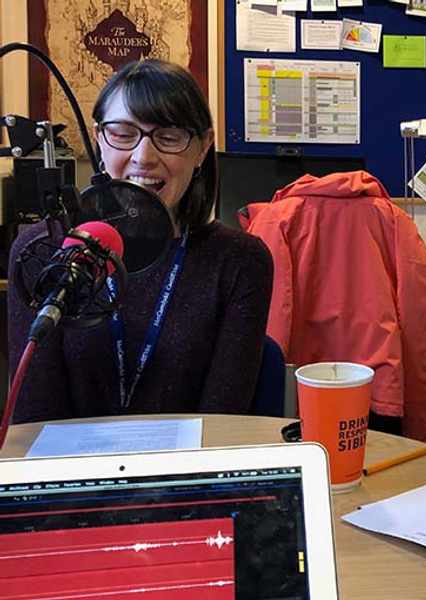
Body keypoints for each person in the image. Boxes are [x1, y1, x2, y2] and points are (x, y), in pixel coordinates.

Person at [8, 59, 274, 423]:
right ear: (100, 138)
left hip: (185, 471)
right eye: (122, 133)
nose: (143, 157)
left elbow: (222, 425)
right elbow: (34, 421)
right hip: (73, 472)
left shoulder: (240, 261)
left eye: (169, 137)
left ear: (202, 149)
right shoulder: (43, 251)